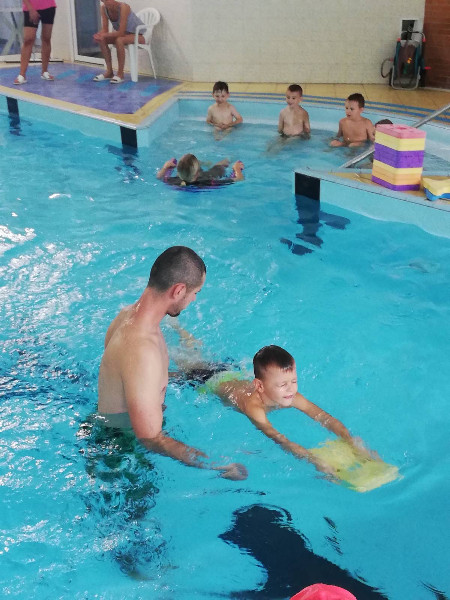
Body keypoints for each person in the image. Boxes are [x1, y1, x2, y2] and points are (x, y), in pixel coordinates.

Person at [97, 246, 247, 480]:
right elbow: (150, 438)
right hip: (122, 456)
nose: (194, 299)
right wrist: (218, 466)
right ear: (178, 290)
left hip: (109, 435)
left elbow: (129, 380)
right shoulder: (142, 350)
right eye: (195, 292)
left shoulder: (127, 316)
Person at [205, 345, 373, 477]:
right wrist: (314, 460)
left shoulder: (290, 395)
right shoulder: (254, 408)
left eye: (294, 381)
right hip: (206, 380)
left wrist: (351, 440)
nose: (291, 389)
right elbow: (281, 440)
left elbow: (323, 417)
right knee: (194, 360)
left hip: (232, 373)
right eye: (283, 384)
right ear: (259, 386)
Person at [92, 0, 146, 84]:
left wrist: (104, 35)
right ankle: (109, 72)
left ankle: (120, 74)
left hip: (138, 35)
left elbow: (121, 32)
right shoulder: (103, 8)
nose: (107, 2)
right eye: (104, 1)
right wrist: (99, 35)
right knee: (102, 40)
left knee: (119, 40)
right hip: (124, 35)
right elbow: (105, 30)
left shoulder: (124, 7)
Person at [14, 0, 57, 85]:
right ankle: (22, 74)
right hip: (30, 7)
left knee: (46, 38)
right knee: (28, 39)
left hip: (49, 7)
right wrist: (31, 9)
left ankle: (45, 71)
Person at [157, 154, 244, 187]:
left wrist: (165, 168)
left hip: (191, 176)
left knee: (191, 163)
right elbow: (239, 179)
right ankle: (230, 157)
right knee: (220, 165)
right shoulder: (209, 182)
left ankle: (205, 163)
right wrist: (237, 169)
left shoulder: (174, 181)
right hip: (207, 176)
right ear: (197, 172)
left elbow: (159, 177)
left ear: (178, 172)